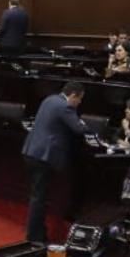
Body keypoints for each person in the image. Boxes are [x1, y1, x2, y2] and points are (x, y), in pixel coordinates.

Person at [22, 82, 87, 243]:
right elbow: (79, 129)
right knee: (39, 198)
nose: (79, 103)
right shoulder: (65, 107)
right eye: (79, 99)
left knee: (37, 195)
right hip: (44, 156)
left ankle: (39, 231)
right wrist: (84, 124)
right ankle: (34, 236)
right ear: (73, 95)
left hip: (31, 151)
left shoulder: (49, 99)